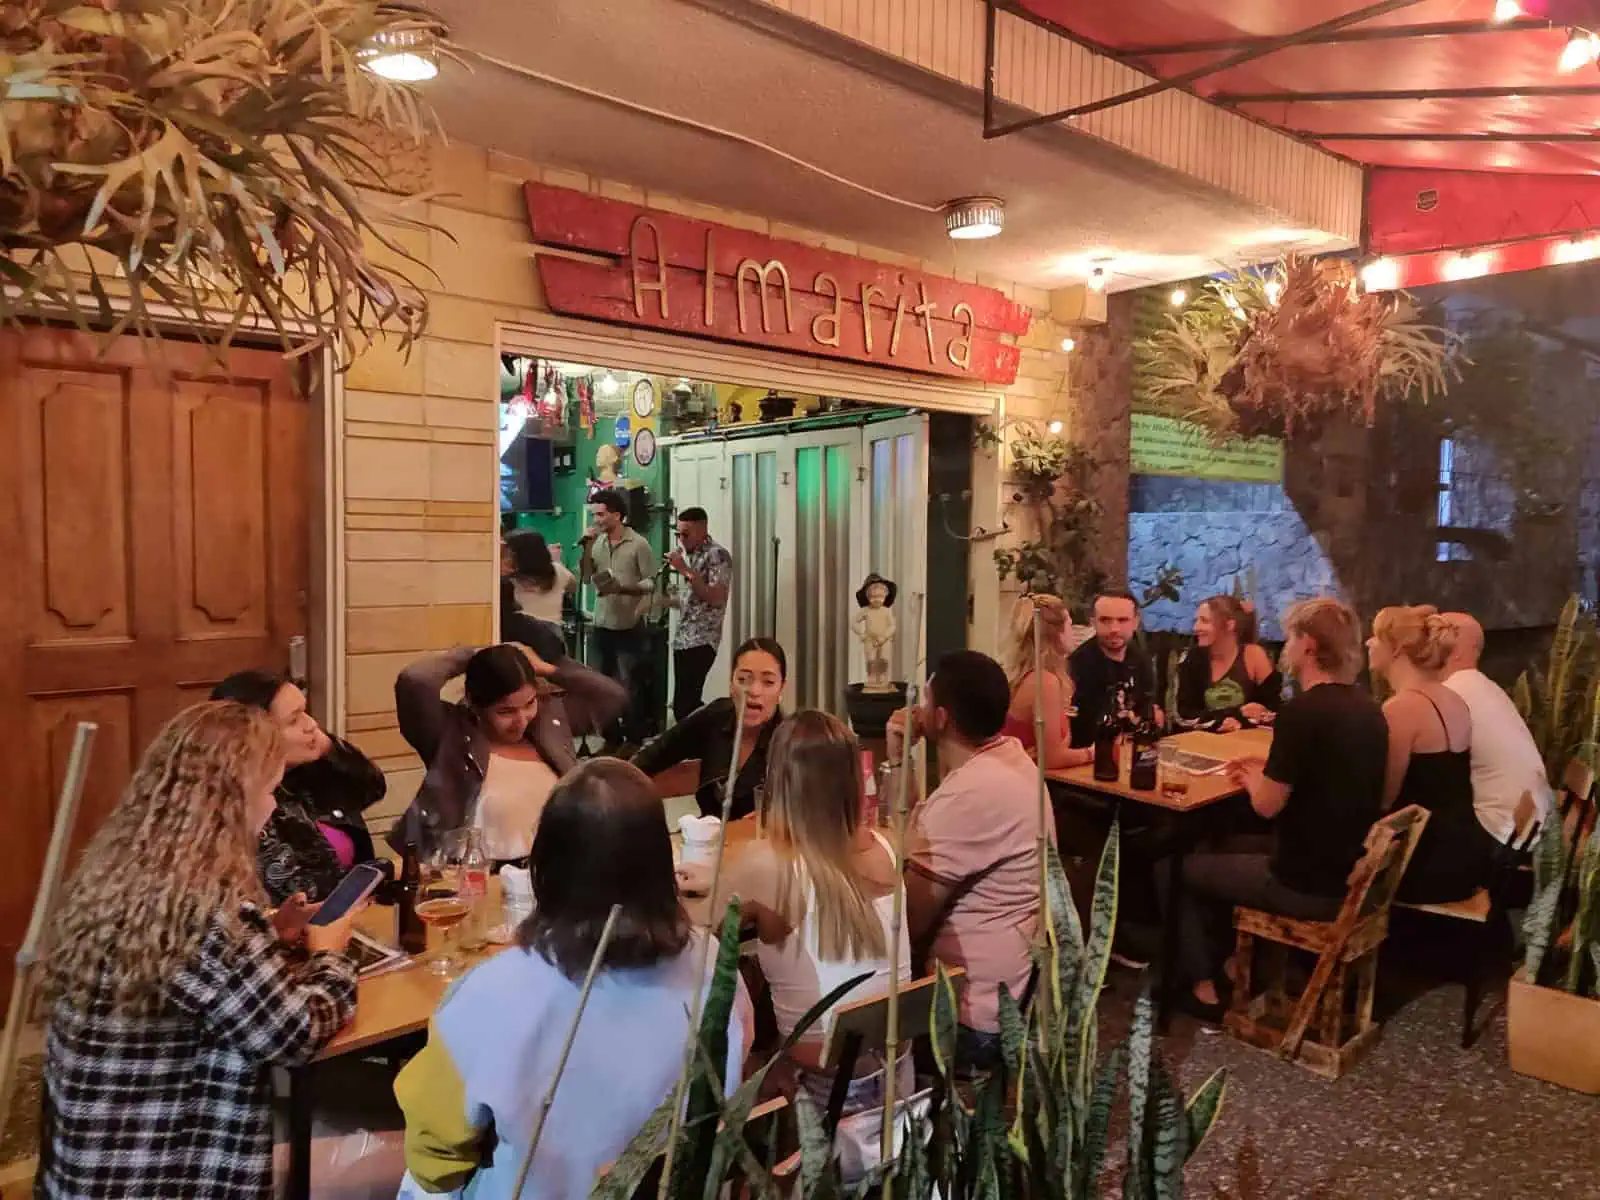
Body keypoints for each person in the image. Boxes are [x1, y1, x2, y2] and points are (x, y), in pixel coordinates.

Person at [39, 701, 359, 1199]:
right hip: (165, 1178)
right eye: (270, 791)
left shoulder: (114, 880)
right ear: (232, 800)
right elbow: (293, 1035)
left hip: (86, 1170)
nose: (274, 807)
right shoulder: (212, 914)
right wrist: (331, 954)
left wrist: (269, 936)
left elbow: (184, 980)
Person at [393, 758, 752, 1199]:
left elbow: (434, 1165)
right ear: (662, 863)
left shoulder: (487, 996)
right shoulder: (717, 964)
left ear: (544, 866)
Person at [1176, 598, 1388, 1020]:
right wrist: (1265, 767)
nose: (1284, 648)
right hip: (1347, 871)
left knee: (1182, 864)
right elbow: (1324, 775)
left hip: (1303, 881)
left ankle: (1203, 987)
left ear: (1308, 646)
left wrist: (1254, 777)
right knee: (1223, 840)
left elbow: (1267, 806)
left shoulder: (1303, 713)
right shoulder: (1369, 710)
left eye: (1290, 638)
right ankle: (1236, 964)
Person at [713, 710, 910, 1111]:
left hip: (818, 1086)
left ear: (781, 782)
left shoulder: (766, 864)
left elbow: (702, 935)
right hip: (899, 1069)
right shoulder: (888, 845)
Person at [890, 650, 1052, 1070]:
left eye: (924, 701)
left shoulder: (973, 793)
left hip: (970, 1021)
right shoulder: (1012, 759)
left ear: (940, 718)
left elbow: (906, 918)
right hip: (1015, 995)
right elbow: (916, 835)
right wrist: (898, 755)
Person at [392, 642, 627, 863]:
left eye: (529, 703)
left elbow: (612, 697)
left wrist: (548, 669)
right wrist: (475, 654)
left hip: (552, 872)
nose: (521, 720)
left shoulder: (548, 725)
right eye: (505, 712)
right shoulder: (449, 733)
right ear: (474, 703)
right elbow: (415, 681)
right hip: (474, 876)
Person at [211, 671, 387, 904]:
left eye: (306, 712)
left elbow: (370, 788)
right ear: (253, 734)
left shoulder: (303, 774)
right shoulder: (248, 804)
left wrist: (329, 748)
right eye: (294, 720)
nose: (312, 724)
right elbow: (297, 895)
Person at [1369, 605, 1495, 904]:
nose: (1367, 643)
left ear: (1396, 648)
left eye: (1375, 637)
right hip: (1466, 853)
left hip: (1424, 863)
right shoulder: (1453, 698)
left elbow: (1385, 799)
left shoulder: (1400, 709)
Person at [632, 637, 787, 820]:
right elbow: (652, 756)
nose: (754, 691)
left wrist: (782, 818)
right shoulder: (714, 717)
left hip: (761, 845)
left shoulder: (791, 741)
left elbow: (815, 812)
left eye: (768, 682)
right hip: (708, 841)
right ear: (731, 685)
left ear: (781, 689)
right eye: (744, 679)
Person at [1441, 611, 1554, 842]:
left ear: (1456, 649)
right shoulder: (1483, 685)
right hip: (1526, 828)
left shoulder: (1452, 693)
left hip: (1499, 831)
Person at [580, 487, 658, 746]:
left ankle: (633, 740)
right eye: (594, 516)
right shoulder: (598, 542)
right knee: (601, 686)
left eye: (601, 515)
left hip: (629, 625)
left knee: (629, 686)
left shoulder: (639, 544)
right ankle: (610, 738)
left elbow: (651, 583)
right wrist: (586, 547)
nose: (597, 521)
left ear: (617, 515)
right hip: (602, 624)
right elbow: (586, 577)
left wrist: (623, 588)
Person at [1002, 594, 1093, 769]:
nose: (1073, 633)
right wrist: (1094, 752)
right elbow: (1052, 759)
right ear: (1056, 633)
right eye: (1069, 625)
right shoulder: (1044, 682)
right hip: (1028, 785)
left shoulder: (1033, 675)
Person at [1175, 594, 1282, 731]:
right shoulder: (1194, 658)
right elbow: (1185, 714)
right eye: (1196, 621)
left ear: (1229, 625)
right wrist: (1233, 716)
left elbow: (1273, 708)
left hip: (1246, 742)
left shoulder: (1254, 655)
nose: (1196, 627)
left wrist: (1260, 712)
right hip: (1203, 741)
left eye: (1204, 621)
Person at [1068, 589, 1160, 747]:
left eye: (1123, 620)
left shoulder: (1142, 660)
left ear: (1135, 622)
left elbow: (1147, 715)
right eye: (1105, 620)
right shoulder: (1077, 667)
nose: (1114, 629)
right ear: (1093, 622)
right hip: (1089, 759)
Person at [666, 506, 732, 723]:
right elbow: (693, 602)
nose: (681, 540)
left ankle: (713, 734)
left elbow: (716, 597)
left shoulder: (717, 555)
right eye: (679, 534)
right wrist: (663, 602)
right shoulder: (693, 556)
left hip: (702, 639)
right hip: (684, 639)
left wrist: (685, 570)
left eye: (686, 534)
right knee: (682, 704)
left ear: (703, 530)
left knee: (687, 704)